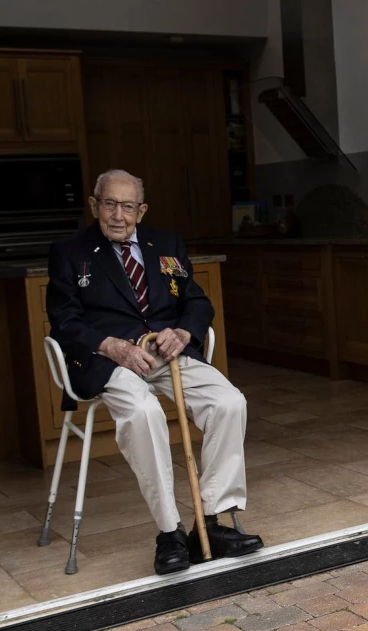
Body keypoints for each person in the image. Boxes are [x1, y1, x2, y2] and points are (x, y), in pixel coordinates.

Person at [47, 169, 263, 575]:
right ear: (94, 205)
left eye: (128, 206)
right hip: (110, 358)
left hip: (167, 352)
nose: (118, 214)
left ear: (141, 210)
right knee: (144, 414)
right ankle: (169, 532)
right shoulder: (69, 251)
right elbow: (63, 320)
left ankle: (210, 523)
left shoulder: (166, 244)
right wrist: (113, 346)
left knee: (229, 401)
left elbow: (197, 303)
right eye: (109, 204)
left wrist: (184, 332)